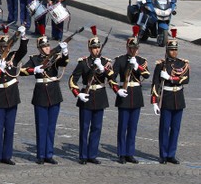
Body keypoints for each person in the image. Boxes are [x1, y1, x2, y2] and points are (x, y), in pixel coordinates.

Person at [20, 26, 68, 164]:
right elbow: (22, 71)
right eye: (44, 46)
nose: (47, 48)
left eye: (48, 45)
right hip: (41, 93)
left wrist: (64, 52)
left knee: (51, 126)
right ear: (39, 48)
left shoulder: (55, 57)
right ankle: (41, 155)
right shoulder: (34, 59)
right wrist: (34, 69)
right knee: (41, 126)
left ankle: (49, 154)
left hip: (54, 92)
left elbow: (64, 62)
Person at [68, 26, 114, 164]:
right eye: (94, 48)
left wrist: (102, 68)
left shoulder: (105, 62)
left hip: (99, 95)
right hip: (86, 96)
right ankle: (83, 155)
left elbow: (111, 77)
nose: (97, 50)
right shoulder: (83, 63)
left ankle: (92, 154)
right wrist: (78, 94)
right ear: (89, 49)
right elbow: (72, 80)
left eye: (98, 47)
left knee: (97, 127)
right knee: (84, 127)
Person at [0, 26, 29, 165]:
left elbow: (23, 50)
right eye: (3, 46)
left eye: (7, 46)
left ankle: (7, 156)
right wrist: (0, 70)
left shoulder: (13, 57)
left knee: (10, 128)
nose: (5, 48)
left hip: (12, 95)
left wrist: (23, 36)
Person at [109, 27, 149, 164]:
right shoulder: (120, 60)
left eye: (135, 48)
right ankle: (121, 153)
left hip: (136, 95)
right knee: (123, 126)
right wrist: (117, 90)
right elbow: (111, 77)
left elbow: (147, 75)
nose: (133, 50)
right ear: (127, 47)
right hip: (124, 94)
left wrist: (137, 67)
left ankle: (130, 153)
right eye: (131, 48)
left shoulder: (141, 61)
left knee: (133, 126)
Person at [151, 29, 189, 164]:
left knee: (175, 128)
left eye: (175, 50)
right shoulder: (161, 65)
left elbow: (185, 79)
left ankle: (171, 154)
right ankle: (163, 154)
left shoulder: (183, 64)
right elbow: (155, 83)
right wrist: (155, 101)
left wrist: (170, 78)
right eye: (172, 50)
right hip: (166, 98)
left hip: (178, 98)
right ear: (167, 50)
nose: (174, 52)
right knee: (165, 128)